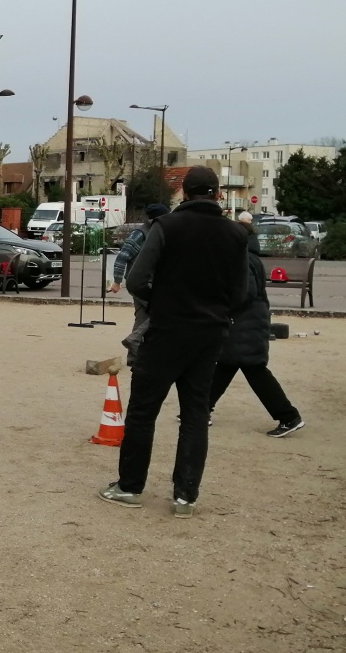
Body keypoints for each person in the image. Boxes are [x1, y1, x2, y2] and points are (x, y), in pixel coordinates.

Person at [99, 166, 248, 519]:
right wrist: (216, 310)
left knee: (143, 410)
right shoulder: (236, 235)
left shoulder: (166, 227)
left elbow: (137, 280)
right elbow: (240, 293)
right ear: (218, 194)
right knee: (195, 413)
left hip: (166, 329)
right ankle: (185, 496)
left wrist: (160, 300)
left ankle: (130, 486)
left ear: (183, 192)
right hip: (209, 333)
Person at [207, 212, 305, 437]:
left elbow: (246, 292)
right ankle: (201, 407)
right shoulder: (249, 256)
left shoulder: (241, 259)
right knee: (225, 364)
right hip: (249, 321)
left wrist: (223, 305)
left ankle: (288, 416)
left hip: (245, 322)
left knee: (253, 370)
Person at [109, 204, 170, 365]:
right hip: (142, 283)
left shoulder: (154, 232)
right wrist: (116, 281)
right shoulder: (141, 234)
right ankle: (134, 340)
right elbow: (123, 256)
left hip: (143, 283)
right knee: (162, 311)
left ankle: (133, 358)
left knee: (142, 317)